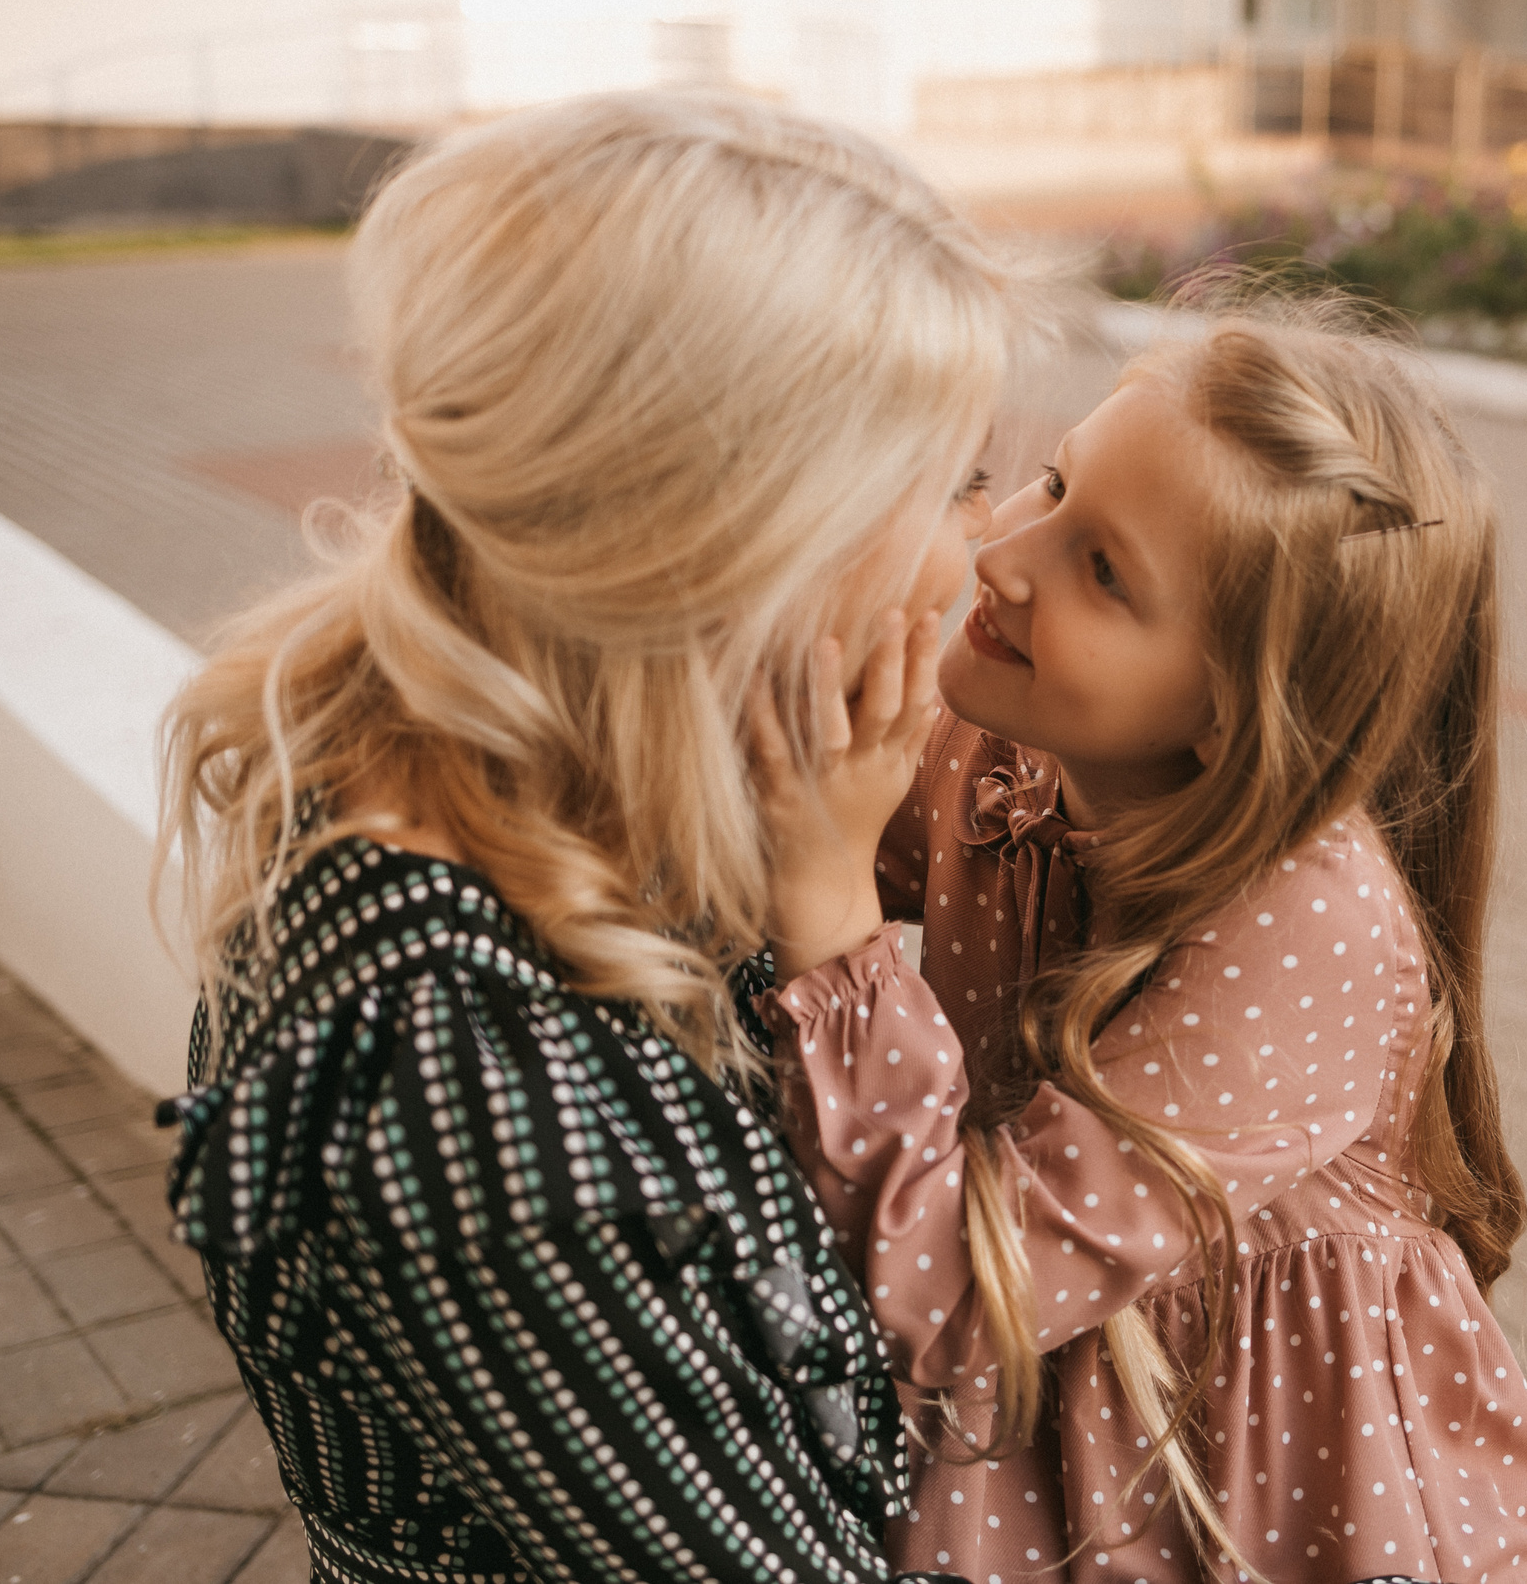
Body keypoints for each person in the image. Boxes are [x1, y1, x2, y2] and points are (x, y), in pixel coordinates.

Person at [153, 89, 1018, 1584]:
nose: (974, 550)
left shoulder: (559, 793)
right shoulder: (467, 1089)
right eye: (942, 483)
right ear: (727, 543)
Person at [752, 303, 1527, 1583]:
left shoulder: (1308, 927)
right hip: (1064, 1392)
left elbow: (951, 1299)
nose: (1007, 551)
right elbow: (772, 817)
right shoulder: (1014, 747)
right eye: (1053, 478)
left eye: (1103, 569)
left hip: (1258, 1477)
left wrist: (828, 912)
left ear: (1235, 710)